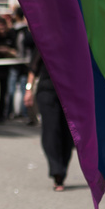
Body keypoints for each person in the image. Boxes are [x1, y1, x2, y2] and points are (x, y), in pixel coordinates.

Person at [25, 51, 74, 190]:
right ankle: (57, 171)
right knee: (51, 131)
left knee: (67, 134)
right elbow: (33, 67)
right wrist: (28, 89)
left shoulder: (77, 42)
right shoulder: (45, 39)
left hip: (71, 94)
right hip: (47, 91)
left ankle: (62, 170)